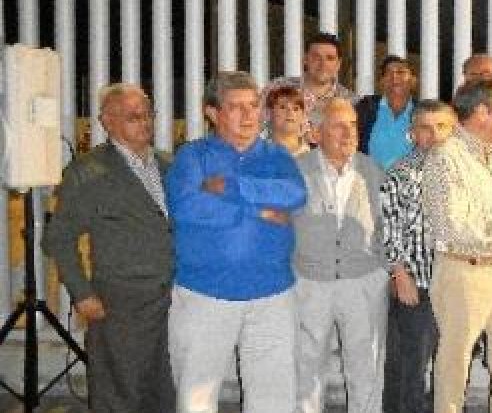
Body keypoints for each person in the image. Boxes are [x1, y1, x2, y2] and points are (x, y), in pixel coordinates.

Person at [166, 71, 308, 413]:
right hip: (204, 295)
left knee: (274, 397)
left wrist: (232, 187)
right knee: (196, 397)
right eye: (236, 107)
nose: (249, 115)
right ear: (212, 113)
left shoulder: (277, 156)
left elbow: (295, 193)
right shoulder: (192, 157)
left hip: (273, 295)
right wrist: (259, 212)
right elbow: (186, 208)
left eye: (253, 106)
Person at [43, 84, 175, 413]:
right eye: (134, 116)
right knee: (120, 392)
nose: (144, 122)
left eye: (148, 114)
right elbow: (58, 238)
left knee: (164, 390)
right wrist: (81, 293)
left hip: (172, 298)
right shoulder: (88, 173)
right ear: (108, 122)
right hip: (120, 303)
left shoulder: (168, 165)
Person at [422, 79, 492, 413]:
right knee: (455, 367)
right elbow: (453, 227)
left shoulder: (489, 157)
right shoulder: (446, 158)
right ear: (482, 113)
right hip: (463, 270)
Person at [292, 98, 390, 413]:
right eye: (338, 125)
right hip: (310, 282)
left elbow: (390, 226)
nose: (348, 133)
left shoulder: (373, 170)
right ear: (317, 132)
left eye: (352, 125)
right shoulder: (296, 170)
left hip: (362, 282)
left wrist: (384, 272)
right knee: (306, 369)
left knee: (365, 367)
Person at [381, 99, 458, 413]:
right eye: (426, 128)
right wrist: (400, 276)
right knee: (412, 368)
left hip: (455, 283)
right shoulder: (399, 174)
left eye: (442, 127)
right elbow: (389, 229)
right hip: (418, 285)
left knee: (449, 365)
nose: (435, 134)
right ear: (412, 134)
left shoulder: (460, 173)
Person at [267, 32, 355, 138]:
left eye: (330, 58)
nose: (323, 64)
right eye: (316, 57)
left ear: (338, 64)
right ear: (305, 59)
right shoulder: (277, 88)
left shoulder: (352, 101)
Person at [355, 55, 418, 169]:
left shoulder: (422, 112)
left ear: (413, 80)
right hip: (370, 182)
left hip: (410, 183)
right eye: (388, 73)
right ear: (381, 81)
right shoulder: (366, 108)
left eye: (400, 72)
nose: (394, 76)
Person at [266, 84, 310, 156]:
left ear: (303, 115)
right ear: (268, 113)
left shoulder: (317, 154)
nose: (290, 112)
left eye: (295, 109)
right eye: (282, 107)